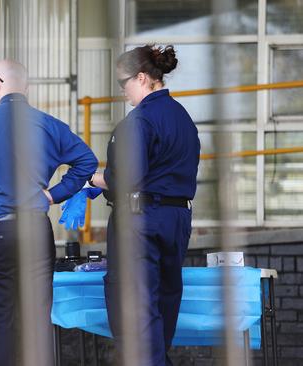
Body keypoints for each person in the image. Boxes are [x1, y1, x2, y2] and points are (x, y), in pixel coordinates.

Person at [0, 59, 98, 365]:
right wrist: (53, 195)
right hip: (36, 231)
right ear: (25, 87)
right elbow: (87, 161)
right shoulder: (49, 124)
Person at [83, 45, 200, 365]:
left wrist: (92, 181)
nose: (122, 93)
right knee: (162, 306)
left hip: (140, 221)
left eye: (124, 84)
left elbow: (124, 177)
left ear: (143, 77)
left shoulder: (141, 121)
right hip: (177, 219)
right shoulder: (183, 119)